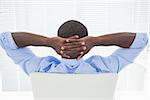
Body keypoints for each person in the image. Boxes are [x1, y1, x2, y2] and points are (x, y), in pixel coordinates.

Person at [0, 20, 148, 75]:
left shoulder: (40, 68)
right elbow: (142, 40)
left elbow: (5, 40)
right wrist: (97, 41)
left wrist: (48, 42)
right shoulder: (104, 68)